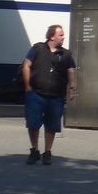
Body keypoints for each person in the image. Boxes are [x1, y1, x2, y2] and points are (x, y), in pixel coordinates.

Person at [22, 23, 76, 165]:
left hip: (56, 96)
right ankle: (34, 150)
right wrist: (27, 86)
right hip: (35, 94)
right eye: (61, 35)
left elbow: (71, 71)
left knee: (52, 126)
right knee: (33, 123)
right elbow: (26, 65)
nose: (64, 37)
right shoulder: (37, 49)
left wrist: (72, 88)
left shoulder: (65, 54)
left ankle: (47, 152)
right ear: (52, 36)